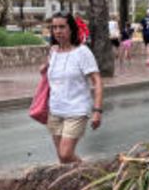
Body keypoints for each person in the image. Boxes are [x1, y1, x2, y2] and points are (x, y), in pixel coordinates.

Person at [40, 13, 103, 165]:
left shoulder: (82, 52)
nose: (58, 31)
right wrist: (44, 68)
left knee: (66, 154)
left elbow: (97, 81)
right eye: (54, 27)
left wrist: (97, 111)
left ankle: (90, 173)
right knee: (63, 159)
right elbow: (52, 74)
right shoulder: (53, 52)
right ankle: (76, 184)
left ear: (71, 29)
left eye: (62, 27)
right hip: (55, 110)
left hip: (76, 110)